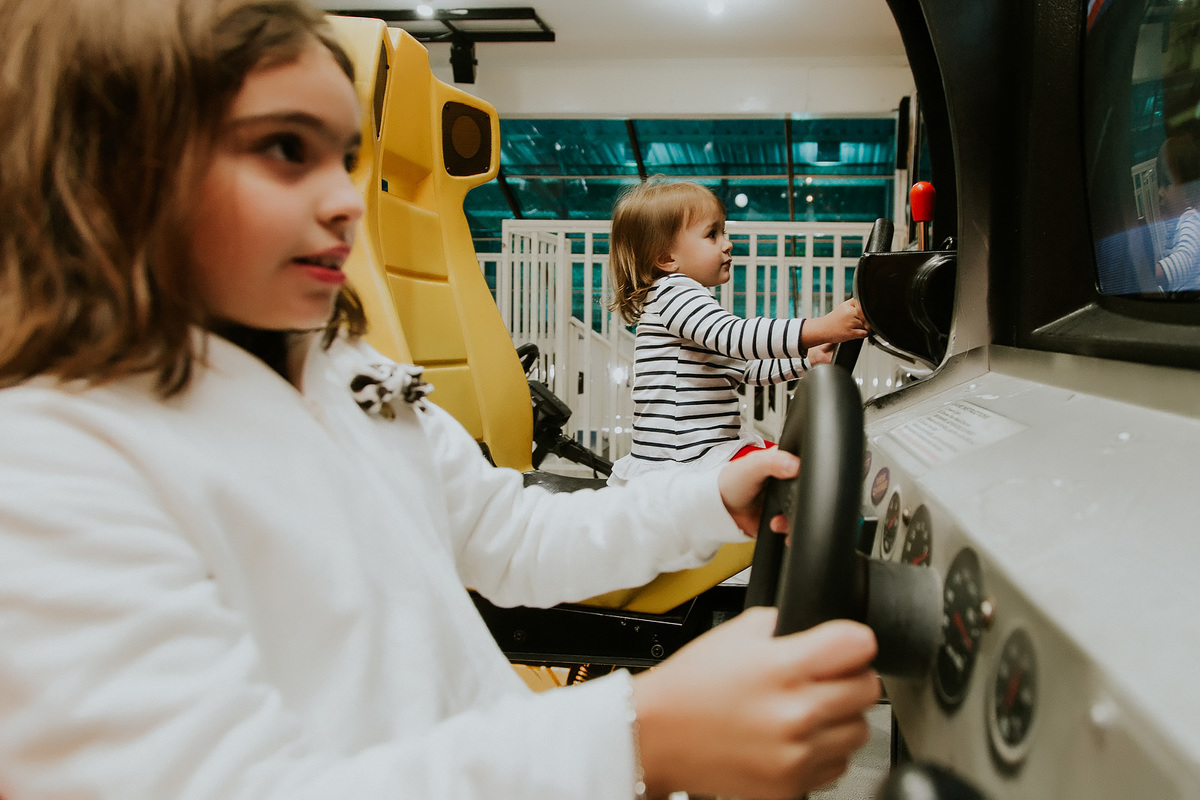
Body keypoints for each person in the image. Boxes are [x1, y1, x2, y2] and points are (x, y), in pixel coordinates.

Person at [0, 1, 881, 799]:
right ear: (116, 160)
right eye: (283, 151)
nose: (347, 203)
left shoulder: (340, 368)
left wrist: (705, 499)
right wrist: (639, 738)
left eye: (344, 158)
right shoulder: (47, 471)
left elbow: (511, 535)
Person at [607, 179, 869, 486]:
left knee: (792, 469)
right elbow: (736, 337)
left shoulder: (682, 301)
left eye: (723, 232)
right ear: (666, 259)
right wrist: (821, 328)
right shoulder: (674, 293)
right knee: (795, 473)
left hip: (698, 452)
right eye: (711, 235)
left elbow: (746, 369)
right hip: (684, 461)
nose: (727, 243)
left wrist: (808, 359)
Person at [1155, 134, 1200, 291]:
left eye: (1166, 183)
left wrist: (1152, 273)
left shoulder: (1192, 220)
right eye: (1159, 185)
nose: (1160, 192)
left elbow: (1185, 258)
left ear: (1187, 191)